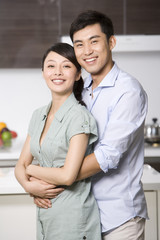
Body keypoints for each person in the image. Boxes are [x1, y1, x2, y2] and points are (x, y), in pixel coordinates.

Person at [32, 10, 148, 240]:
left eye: (94, 41)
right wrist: (39, 186)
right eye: (79, 44)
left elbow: (107, 156)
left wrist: (46, 179)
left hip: (119, 219)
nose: (87, 51)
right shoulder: (80, 91)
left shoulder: (128, 92)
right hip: (82, 216)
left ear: (111, 42)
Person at [15, 42, 102, 240]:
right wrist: (29, 187)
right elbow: (19, 164)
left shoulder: (79, 117)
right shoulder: (38, 115)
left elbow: (67, 176)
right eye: (51, 66)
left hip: (73, 218)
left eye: (66, 66)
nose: (58, 72)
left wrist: (31, 170)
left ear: (78, 74)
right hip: (46, 215)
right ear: (44, 72)